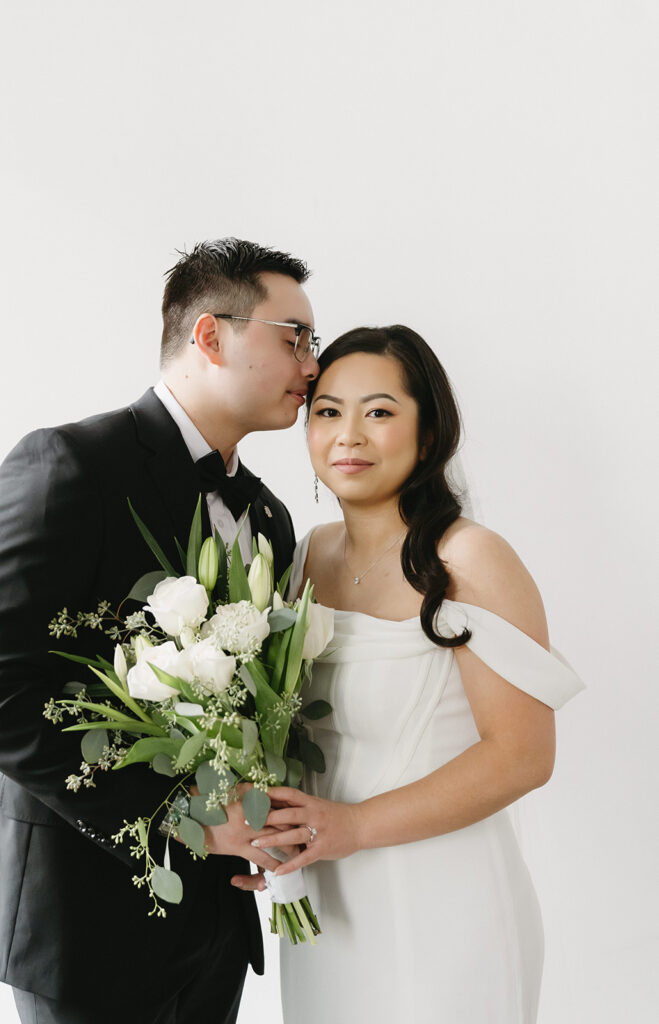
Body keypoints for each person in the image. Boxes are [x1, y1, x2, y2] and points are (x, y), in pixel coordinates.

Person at [0, 238, 319, 1024]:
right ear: (208, 335)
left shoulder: (270, 517)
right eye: (292, 337)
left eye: (313, 343)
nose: (311, 364)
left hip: (216, 919)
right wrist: (179, 816)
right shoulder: (67, 464)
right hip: (84, 913)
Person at [242, 325, 585, 1023]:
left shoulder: (472, 558)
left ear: (428, 436)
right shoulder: (307, 555)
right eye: (328, 412)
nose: (348, 436)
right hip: (326, 902)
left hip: (445, 897)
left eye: (378, 412)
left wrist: (356, 826)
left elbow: (522, 755)